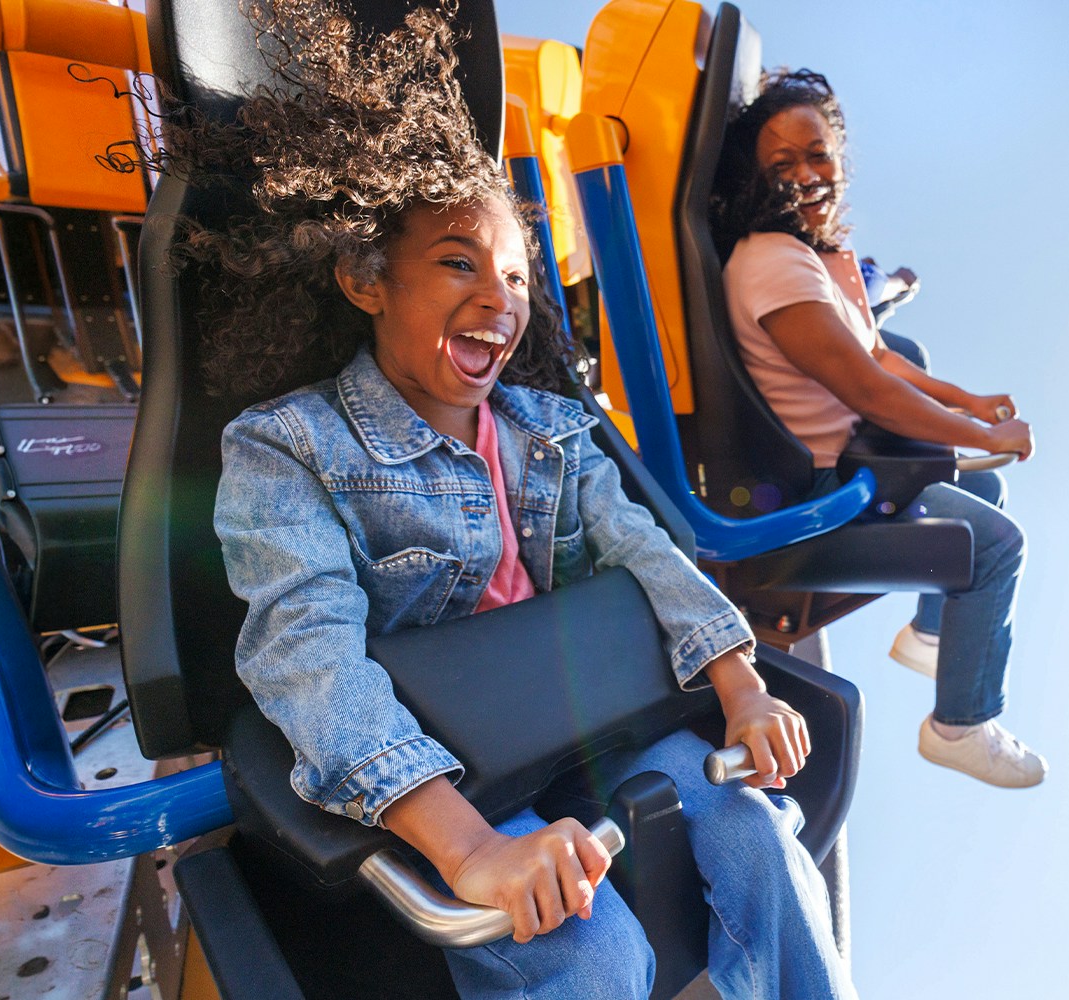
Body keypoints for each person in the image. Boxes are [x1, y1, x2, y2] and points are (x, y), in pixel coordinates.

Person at [180, 5, 855, 998]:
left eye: (513, 275)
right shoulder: (291, 444)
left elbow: (641, 547)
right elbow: (307, 651)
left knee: (755, 834)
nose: (499, 299)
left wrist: (741, 685)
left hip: (588, 723)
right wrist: (465, 850)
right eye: (458, 263)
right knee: (595, 952)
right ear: (367, 277)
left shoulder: (546, 427)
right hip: (446, 770)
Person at [712, 68, 1048, 789]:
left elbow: (877, 354)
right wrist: (982, 440)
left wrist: (967, 403)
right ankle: (960, 725)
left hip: (850, 453)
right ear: (754, 178)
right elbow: (866, 386)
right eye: (782, 164)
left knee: (987, 500)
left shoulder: (805, 255)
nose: (806, 176)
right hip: (818, 494)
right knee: (996, 548)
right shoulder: (773, 267)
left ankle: (931, 636)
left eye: (817, 154)